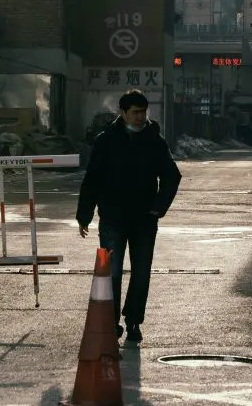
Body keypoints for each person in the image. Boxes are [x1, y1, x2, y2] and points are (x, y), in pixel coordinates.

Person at [76, 89, 181, 344]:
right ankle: (111, 323)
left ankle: (134, 321)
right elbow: (92, 179)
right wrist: (84, 215)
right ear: (122, 113)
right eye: (135, 113)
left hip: (144, 220)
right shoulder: (106, 141)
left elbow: (172, 176)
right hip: (112, 218)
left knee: (141, 272)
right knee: (111, 273)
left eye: (143, 112)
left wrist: (158, 207)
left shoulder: (154, 141)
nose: (140, 117)